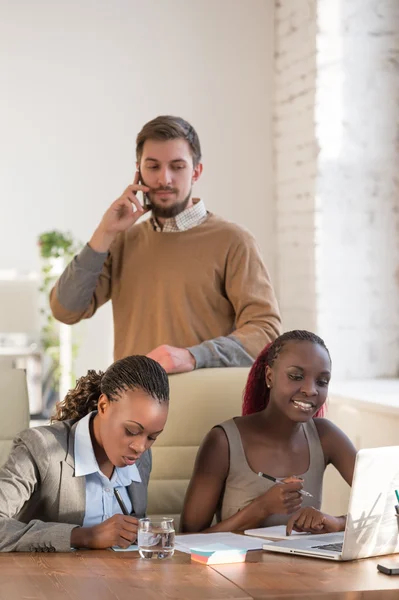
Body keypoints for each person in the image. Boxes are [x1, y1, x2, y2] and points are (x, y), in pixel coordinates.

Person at [50, 115, 281, 374]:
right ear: (138, 171)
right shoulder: (121, 241)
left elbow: (266, 332)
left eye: (177, 166)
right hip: (132, 406)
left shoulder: (234, 241)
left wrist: (193, 357)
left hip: (204, 406)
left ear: (196, 171)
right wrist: (105, 232)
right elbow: (65, 310)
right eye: (153, 167)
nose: (164, 179)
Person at [181, 330, 357, 534]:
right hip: (237, 566)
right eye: (296, 376)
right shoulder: (223, 441)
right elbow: (187, 538)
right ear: (269, 376)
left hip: (306, 566)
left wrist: (338, 522)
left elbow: (391, 503)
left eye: (322, 381)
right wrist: (261, 508)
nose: (311, 390)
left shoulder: (326, 436)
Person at [0, 355, 169, 552]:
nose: (141, 447)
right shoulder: (41, 448)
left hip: (120, 578)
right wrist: (85, 536)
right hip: (47, 579)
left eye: (152, 437)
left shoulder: (141, 459)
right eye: (131, 431)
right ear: (104, 406)